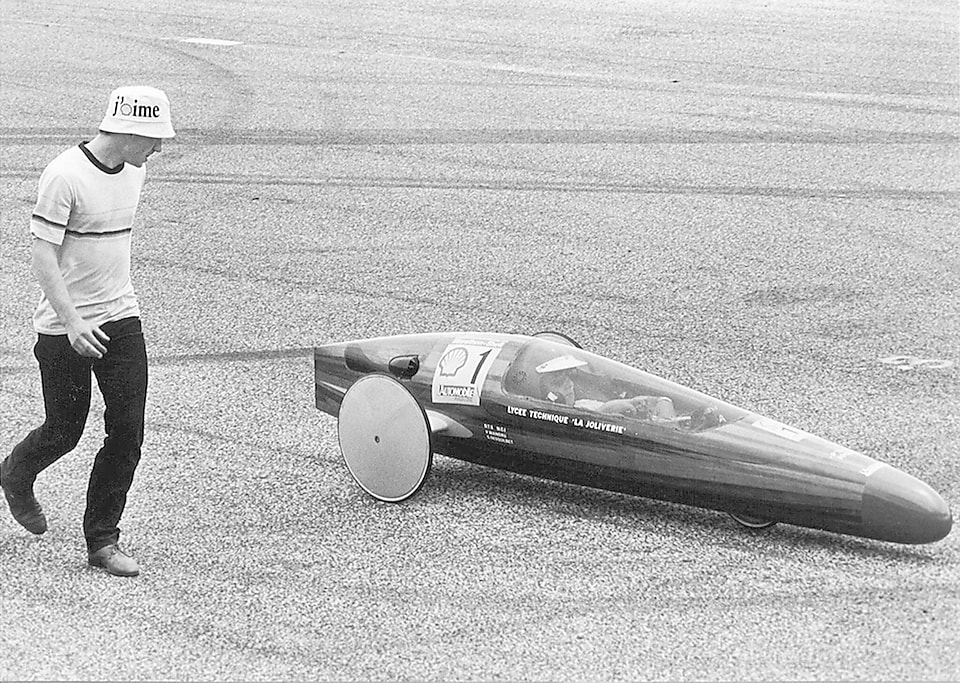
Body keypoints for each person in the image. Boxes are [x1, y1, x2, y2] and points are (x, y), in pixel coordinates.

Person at [0, 86, 175, 577]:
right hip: (64, 326)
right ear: (129, 130)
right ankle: (16, 472)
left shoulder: (135, 170)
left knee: (127, 433)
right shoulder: (64, 175)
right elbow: (41, 256)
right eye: (154, 138)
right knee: (64, 431)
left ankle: (102, 540)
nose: (159, 149)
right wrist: (73, 322)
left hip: (121, 317)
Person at [536, 354, 677, 419]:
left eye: (568, 379)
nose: (568, 385)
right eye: (559, 383)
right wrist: (607, 410)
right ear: (550, 395)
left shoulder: (585, 403)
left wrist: (662, 404)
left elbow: (661, 401)